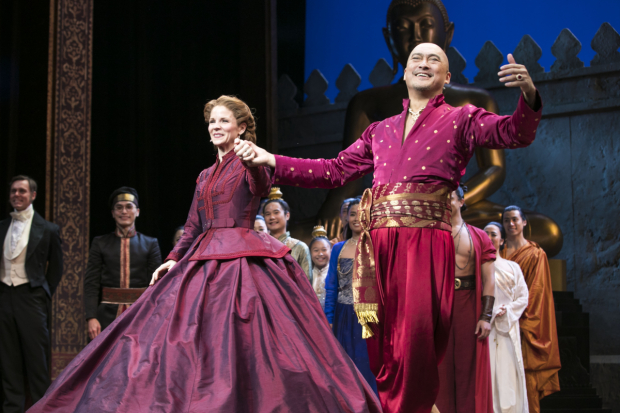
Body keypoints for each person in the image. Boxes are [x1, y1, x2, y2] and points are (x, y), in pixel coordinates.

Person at [236, 41, 542, 413]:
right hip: (378, 248)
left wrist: (528, 94)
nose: (423, 64)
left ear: (446, 77)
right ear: (405, 72)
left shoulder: (462, 119)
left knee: (415, 344)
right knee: (385, 354)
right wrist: (272, 159)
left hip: (424, 244)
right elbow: (332, 170)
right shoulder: (379, 130)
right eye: (416, 58)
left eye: (434, 60)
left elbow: (515, 133)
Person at [28, 96, 381, 413]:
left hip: (245, 263)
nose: (216, 126)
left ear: (241, 127)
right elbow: (194, 224)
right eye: (212, 121)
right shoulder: (204, 175)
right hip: (202, 259)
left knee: (251, 342)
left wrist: (255, 161)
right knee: (179, 341)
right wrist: (171, 259)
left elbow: (260, 187)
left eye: (224, 120)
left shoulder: (251, 162)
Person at [313, 0, 563, 257]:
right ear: (388, 37)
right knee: (309, 235)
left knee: (547, 231)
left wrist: (454, 201)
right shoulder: (368, 103)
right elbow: (346, 171)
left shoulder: (472, 102)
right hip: (394, 210)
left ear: (448, 33)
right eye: (402, 28)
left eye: (427, 25)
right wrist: (334, 207)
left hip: (458, 205)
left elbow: (495, 167)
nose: (416, 36)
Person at [0, 175, 63, 412]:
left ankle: (40, 408)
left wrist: (42, 294)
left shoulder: (47, 229)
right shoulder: (2, 227)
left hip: (31, 297)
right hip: (5, 297)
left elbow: (56, 269)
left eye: (22, 191)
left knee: (37, 361)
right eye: (13, 191)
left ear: (33, 195)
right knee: (8, 360)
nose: (17, 195)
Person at [436, 185, 494, 413]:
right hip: (441, 305)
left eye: (449, 198)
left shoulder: (479, 236)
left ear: (461, 201)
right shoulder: (432, 234)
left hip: (469, 304)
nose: (445, 203)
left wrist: (486, 316)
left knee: (469, 366)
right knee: (440, 367)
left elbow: (489, 279)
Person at [501, 205, 560, 413]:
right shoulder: (499, 253)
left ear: (524, 222)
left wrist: (516, 319)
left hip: (522, 326)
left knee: (527, 384)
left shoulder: (535, 255)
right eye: (506, 220)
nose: (511, 224)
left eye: (515, 219)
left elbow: (537, 294)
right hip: (499, 325)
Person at [83, 187, 162, 340]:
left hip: (140, 315)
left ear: (137, 211)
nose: (124, 211)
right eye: (119, 208)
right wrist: (91, 317)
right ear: (113, 213)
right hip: (105, 317)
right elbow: (91, 283)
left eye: (128, 207)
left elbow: (157, 285)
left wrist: (154, 315)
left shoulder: (150, 244)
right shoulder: (100, 243)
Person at [325, 199, 378, 395]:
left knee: (368, 366)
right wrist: (329, 318)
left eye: (361, 213)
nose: (357, 218)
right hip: (343, 315)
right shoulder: (338, 248)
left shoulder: (377, 246)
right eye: (353, 214)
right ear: (346, 217)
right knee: (346, 368)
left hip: (370, 317)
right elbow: (331, 287)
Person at [484, 221, 529, 413]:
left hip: (507, 329)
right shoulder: (476, 268)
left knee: (508, 376)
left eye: (493, 234)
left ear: (502, 240)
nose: (489, 237)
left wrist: (508, 310)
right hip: (485, 329)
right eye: (485, 234)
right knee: (487, 378)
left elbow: (523, 297)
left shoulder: (513, 267)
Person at [263, 191, 313, 282]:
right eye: (267, 214)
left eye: (276, 212)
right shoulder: (260, 247)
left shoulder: (300, 247)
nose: (272, 217)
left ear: (287, 215)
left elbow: (307, 286)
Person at [309, 225, 331, 308]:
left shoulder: (335, 275)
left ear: (331, 251)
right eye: (316, 250)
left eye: (324, 250)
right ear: (310, 252)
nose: (320, 254)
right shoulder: (307, 275)